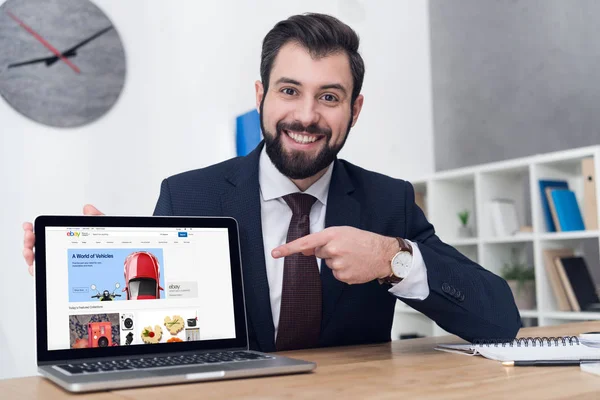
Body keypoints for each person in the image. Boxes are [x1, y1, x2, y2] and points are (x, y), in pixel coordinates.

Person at [23, 13, 521, 352]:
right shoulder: (188, 196)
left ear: (355, 109)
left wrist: (392, 259)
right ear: (261, 95)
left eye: (329, 96)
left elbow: (499, 320)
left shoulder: (387, 201)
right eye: (289, 91)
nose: (306, 116)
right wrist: (87, 276)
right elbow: (158, 329)